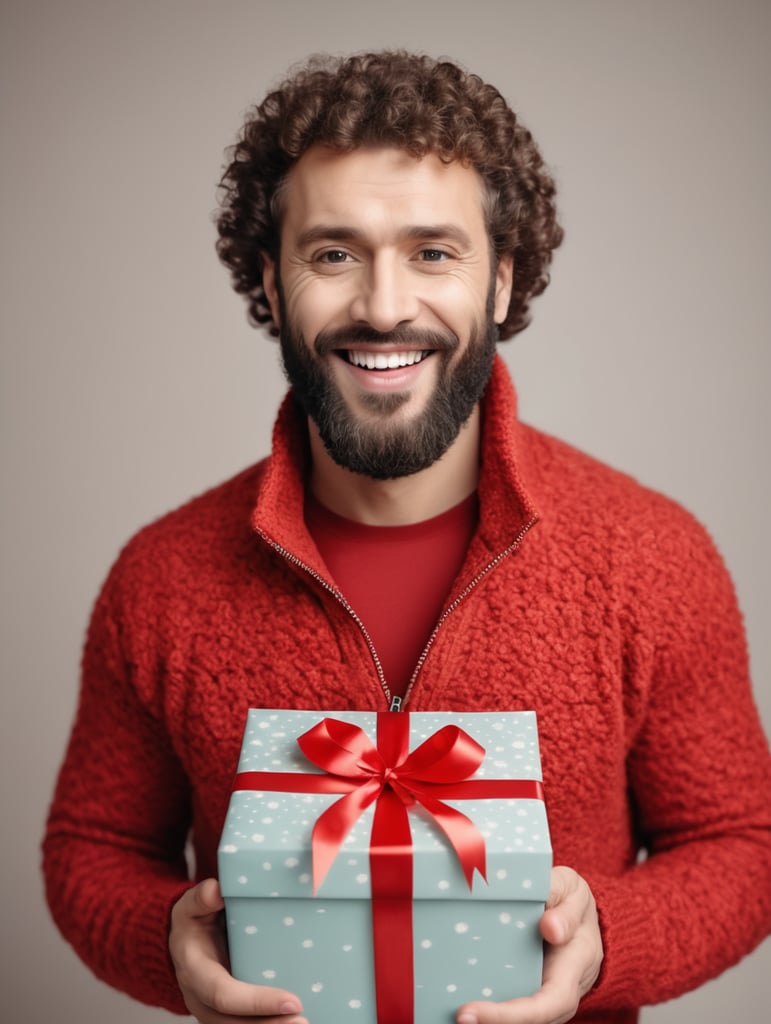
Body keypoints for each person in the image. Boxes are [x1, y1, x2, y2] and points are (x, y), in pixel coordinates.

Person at [43, 51, 770, 1024]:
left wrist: (608, 942)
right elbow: (90, 846)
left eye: (434, 252)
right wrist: (165, 938)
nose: (384, 306)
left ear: (503, 280)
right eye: (333, 253)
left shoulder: (651, 556)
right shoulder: (163, 577)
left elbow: (745, 841)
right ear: (271, 276)